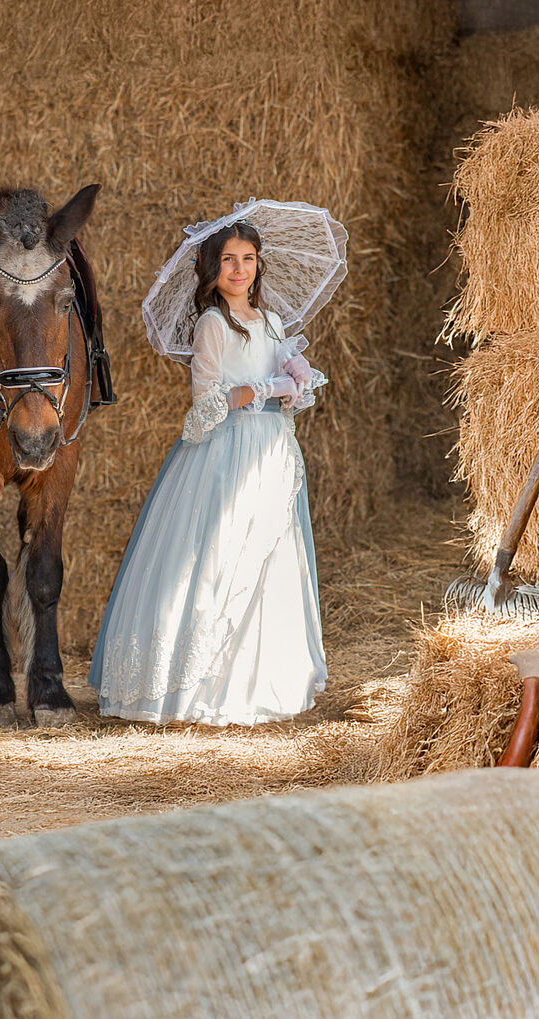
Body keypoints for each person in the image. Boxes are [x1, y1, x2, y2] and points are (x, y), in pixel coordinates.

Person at [88, 219, 330, 725]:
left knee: (267, 555)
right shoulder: (213, 325)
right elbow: (207, 404)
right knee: (218, 555)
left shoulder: (272, 322)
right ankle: (199, 686)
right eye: (228, 260)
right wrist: (266, 388)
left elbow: (288, 391)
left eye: (248, 259)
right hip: (226, 452)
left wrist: (297, 377)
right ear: (211, 269)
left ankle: (260, 681)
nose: (239, 270)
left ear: (259, 264)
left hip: (271, 450)